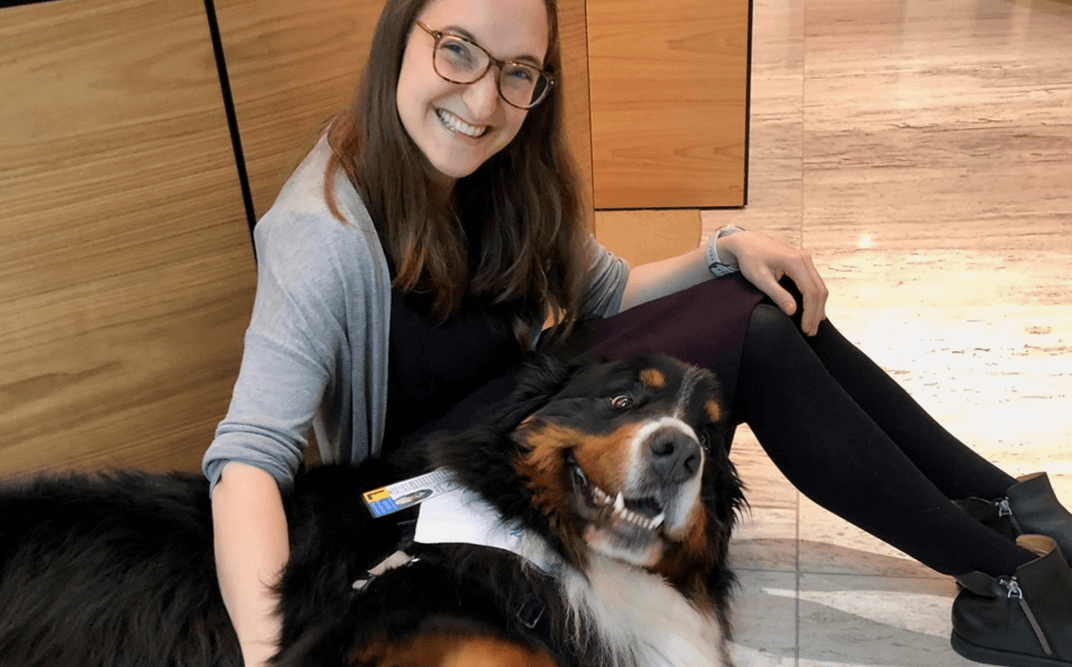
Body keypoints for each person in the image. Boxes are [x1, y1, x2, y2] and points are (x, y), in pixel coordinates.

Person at [202, 0, 1072, 665]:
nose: (483, 98)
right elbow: (247, 458)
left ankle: (1005, 512)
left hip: (517, 419)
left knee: (756, 304)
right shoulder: (320, 231)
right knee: (757, 339)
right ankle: (1006, 569)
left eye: (517, 71)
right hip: (424, 486)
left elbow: (610, 290)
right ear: (401, 38)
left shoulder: (501, 166)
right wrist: (277, 656)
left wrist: (725, 249)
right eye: (457, 49)